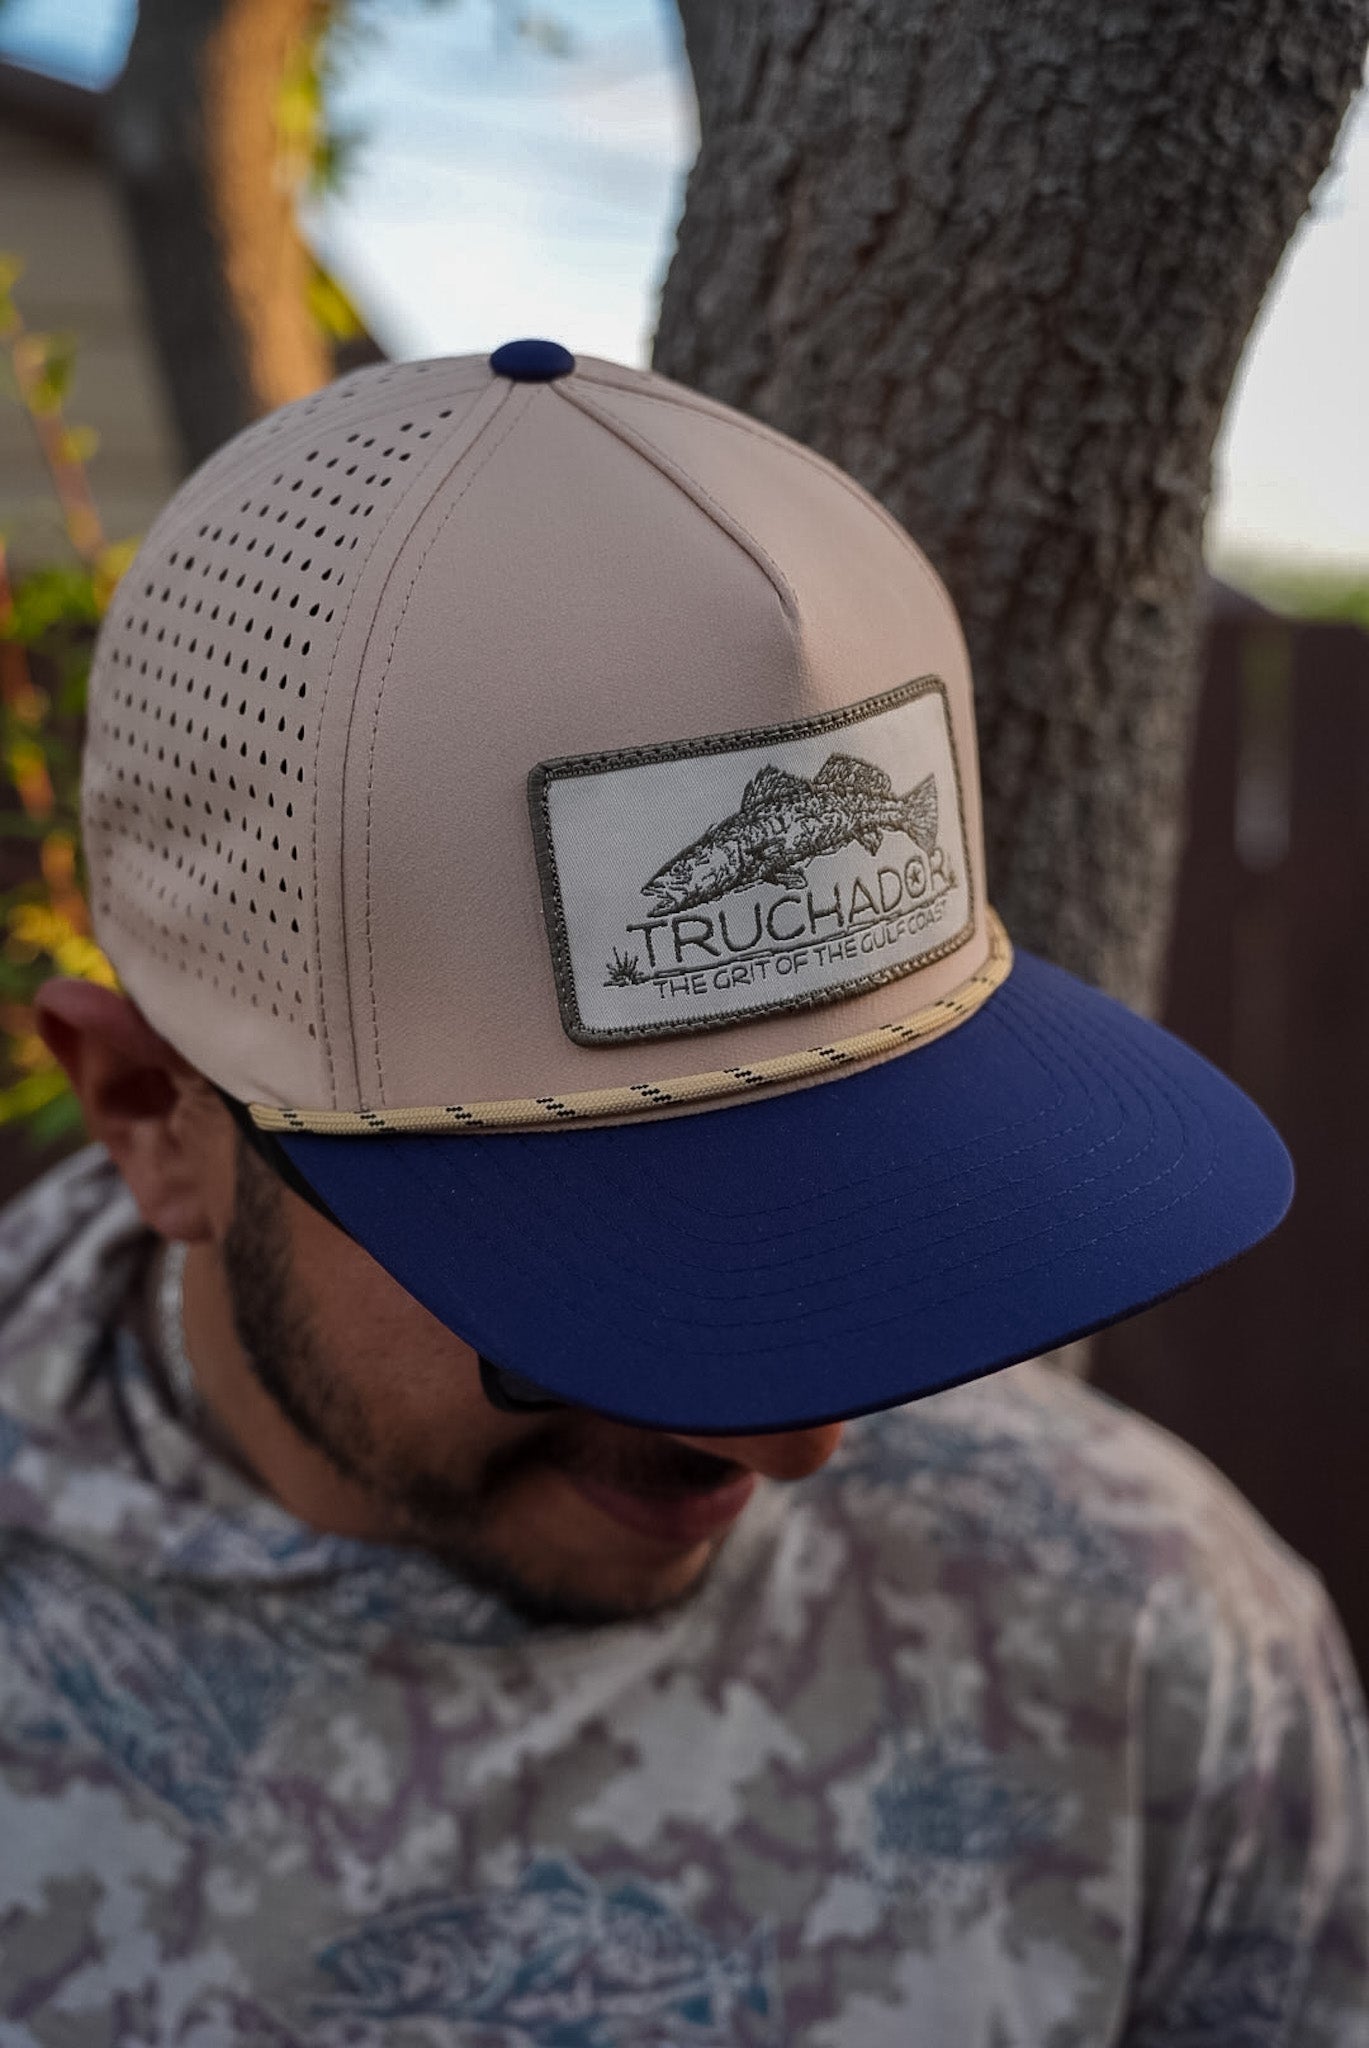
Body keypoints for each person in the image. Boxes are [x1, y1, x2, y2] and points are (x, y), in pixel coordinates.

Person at [0, 338, 1364, 2047]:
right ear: (152, 1114)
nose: (798, 1443)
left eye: (843, 1232)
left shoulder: (1142, 1628)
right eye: (578, 1294)